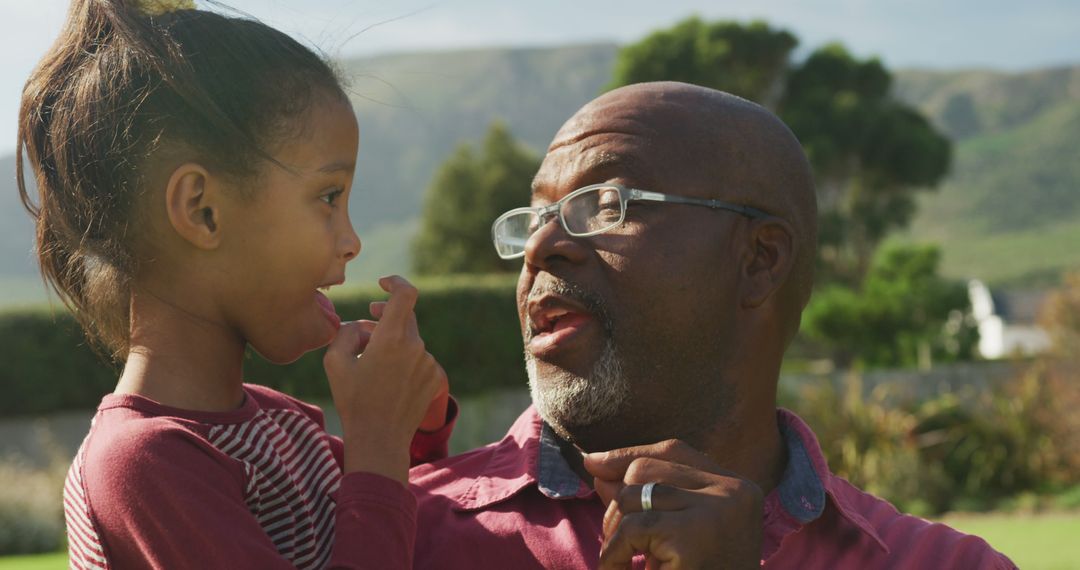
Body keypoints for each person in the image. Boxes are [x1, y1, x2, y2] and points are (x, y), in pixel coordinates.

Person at [409, 82, 1016, 569]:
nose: (541, 245)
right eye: (537, 215)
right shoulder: (398, 534)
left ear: (760, 260)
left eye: (606, 204)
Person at [18, 0, 451, 568]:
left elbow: (396, 530)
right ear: (203, 211)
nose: (351, 241)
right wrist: (376, 441)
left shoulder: (284, 425)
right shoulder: (143, 463)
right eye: (328, 197)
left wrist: (414, 425)